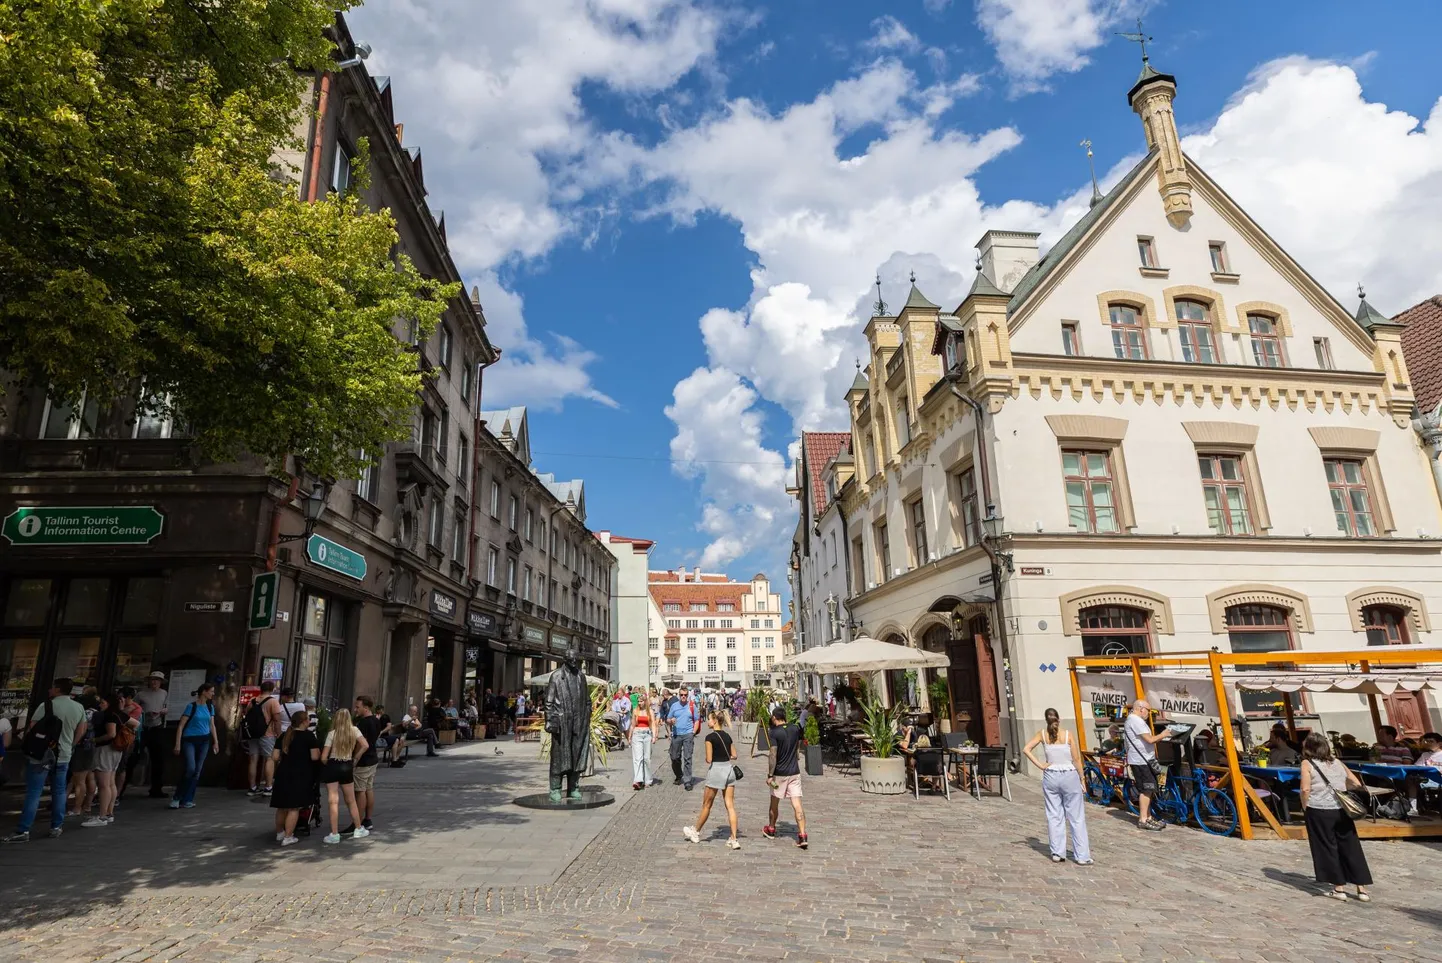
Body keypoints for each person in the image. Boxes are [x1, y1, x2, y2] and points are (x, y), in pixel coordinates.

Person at [4, 677, 88, 842]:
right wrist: (71, 744)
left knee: (34, 792)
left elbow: (33, 727)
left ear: (57, 689)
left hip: (42, 754)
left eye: (52, 687)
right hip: (63, 754)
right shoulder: (78, 707)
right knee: (59, 790)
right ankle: (56, 826)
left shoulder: (46, 705)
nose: (50, 690)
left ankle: (24, 829)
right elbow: (82, 729)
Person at [1300, 732, 1372, 901]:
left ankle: (1338, 887)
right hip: (1341, 810)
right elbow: (1355, 783)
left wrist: (1305, 806)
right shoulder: (1337, 762)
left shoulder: (1307, 763)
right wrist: (1340, 787)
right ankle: (1361, 888)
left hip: (1319, 809)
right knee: (1351, 847)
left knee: (1327, 847)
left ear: (1308, 748)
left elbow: (1305, 789)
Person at [1023, 708, 1092, 865]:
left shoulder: (1042, 734)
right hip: (1069, 775)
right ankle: (1082, 856)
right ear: (1058, 720)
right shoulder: (1068, 735)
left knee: (1054, 815)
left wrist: (1041, 765)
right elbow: (1076, 759)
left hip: (1051, 775)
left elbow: (1026, 749)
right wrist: (1082, 778)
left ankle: (1057, 853)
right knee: (1076, 816)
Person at [683, 709, 741, 849]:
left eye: (709, 719)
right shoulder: (727, 736)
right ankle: (734, 839)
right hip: (728, 769)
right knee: (730, 805)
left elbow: (709, 759)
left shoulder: (710, 737)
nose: (707, 721)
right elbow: (734, 755)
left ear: (715, 721)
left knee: (707, 804)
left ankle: (695, 831)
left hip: (716, 771)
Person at [319, 708, 370, 843]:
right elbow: (365, 745)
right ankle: (358, 828)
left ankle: (334, 833)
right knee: (351, 800)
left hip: (333, 765)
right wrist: (356, 758)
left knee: (333, 800)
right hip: (347, 765)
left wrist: (328, 762)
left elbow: (323, 757)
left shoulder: (332, 733)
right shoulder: (354, 731)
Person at [270, 710, 320, 846]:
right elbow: (315, 757)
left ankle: (279, 833)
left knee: (281, 806)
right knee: (294, 807)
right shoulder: (309, 737)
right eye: (308, 719)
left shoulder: (285, 736)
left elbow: (274, 757)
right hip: (301, 774)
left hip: (283, 772)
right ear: (304, 721)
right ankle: (288, 836)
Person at [1123, 699, 1170, 831]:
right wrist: (1163, 734)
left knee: (1149, 789)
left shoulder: (1132, 720)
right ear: (1141, 708)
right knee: (1146, 789)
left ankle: (1148, 817)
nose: (1149, 714)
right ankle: (1143, 819)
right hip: (1140, 761)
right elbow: (1150, 739)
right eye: (1148, 711)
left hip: (1142, 759)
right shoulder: (1135, 721)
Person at [170, 683, 219, 810]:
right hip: (189, 740)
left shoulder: (210, 707)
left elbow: (212, 725)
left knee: (197, 771)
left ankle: (188, 799)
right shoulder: (191, 706)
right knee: (190, 769)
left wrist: (216, 741)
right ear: (204, 692)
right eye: (211, 691)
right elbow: (181, 726)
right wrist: (177, 744)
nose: (213, 694)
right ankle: (177, 797)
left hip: (204, 741)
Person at [764, 706, 807, 848]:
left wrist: (770, 775)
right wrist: (795, 756)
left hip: (780, 773)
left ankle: (771, 828)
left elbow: (773, 754)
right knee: (797, 804)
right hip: (794, 771)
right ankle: (802, 834)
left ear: (775, 718)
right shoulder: (795, 728)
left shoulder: (774, 732)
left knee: (774, 803)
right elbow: (797, 745)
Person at [85, 692, 127, 828]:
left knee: (103, 784)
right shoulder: (119, 714)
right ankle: (109, 813)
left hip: (105, 749)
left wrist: (94, 739)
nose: (100, 704)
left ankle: (102, 816)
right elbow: (136, 723)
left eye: (103, 702)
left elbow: (111, 734)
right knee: (110, 783)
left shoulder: (108, 715)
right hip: (117, 750)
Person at [134, 671, 170, 798]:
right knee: (135, 755)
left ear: (161, 682)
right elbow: (134, 709)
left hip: (157, 727)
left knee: (158, 759)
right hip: (142, 728)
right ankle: (122, 787)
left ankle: (156, 789)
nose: (154, 682)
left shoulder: (164, 693)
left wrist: (164, 711)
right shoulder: (141, 694)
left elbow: (166, 707)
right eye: (153, 680)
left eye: (157, 680)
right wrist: (144, 713)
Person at [245, 681, 284, 797]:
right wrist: (279, 734)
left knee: (253, 760)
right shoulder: (273, 701)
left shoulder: (252, 701)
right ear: (271, 689)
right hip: (268, 734)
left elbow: (247, 716)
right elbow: (277, 720)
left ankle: (252, 787)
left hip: (252, 734)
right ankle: (268, 787)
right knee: (269, 759)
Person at [350, 696, 382, 832]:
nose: (355, 709)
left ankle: (358, 821)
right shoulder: (376, 720)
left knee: (360, 791)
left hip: (363, 760)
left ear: (366, 708)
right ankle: (368, 819)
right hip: (373, 758)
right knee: (368, 789)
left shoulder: (363, 723)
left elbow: (361, 744)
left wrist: (355, 759)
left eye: (358, 707)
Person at [666, 687, 700, 789]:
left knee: (687, 758)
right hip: (676, 734)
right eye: (681, 695)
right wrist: (670, 721)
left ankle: (687, 780)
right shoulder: (674, 706)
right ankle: (679, 774)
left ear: (688, 695)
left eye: (685, 695)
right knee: (674, 757)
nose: (683, 696)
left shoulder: (692, 706)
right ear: (679, 695)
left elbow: (697, 720)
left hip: (688, 734)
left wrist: (693, 732)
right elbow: (667, 719)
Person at [631, 683, 658, 791]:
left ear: (645, 701)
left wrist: (654, 735)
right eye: (638, 701)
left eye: (641, 701)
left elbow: (653, 724)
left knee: (646, 759)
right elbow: (632, 724)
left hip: (647, 734)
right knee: (638, 758)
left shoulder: (649, 711)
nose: (640, 703)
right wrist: (629, 736)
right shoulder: (635, 711)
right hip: (637, 734)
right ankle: (638, 780)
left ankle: (647, 779)